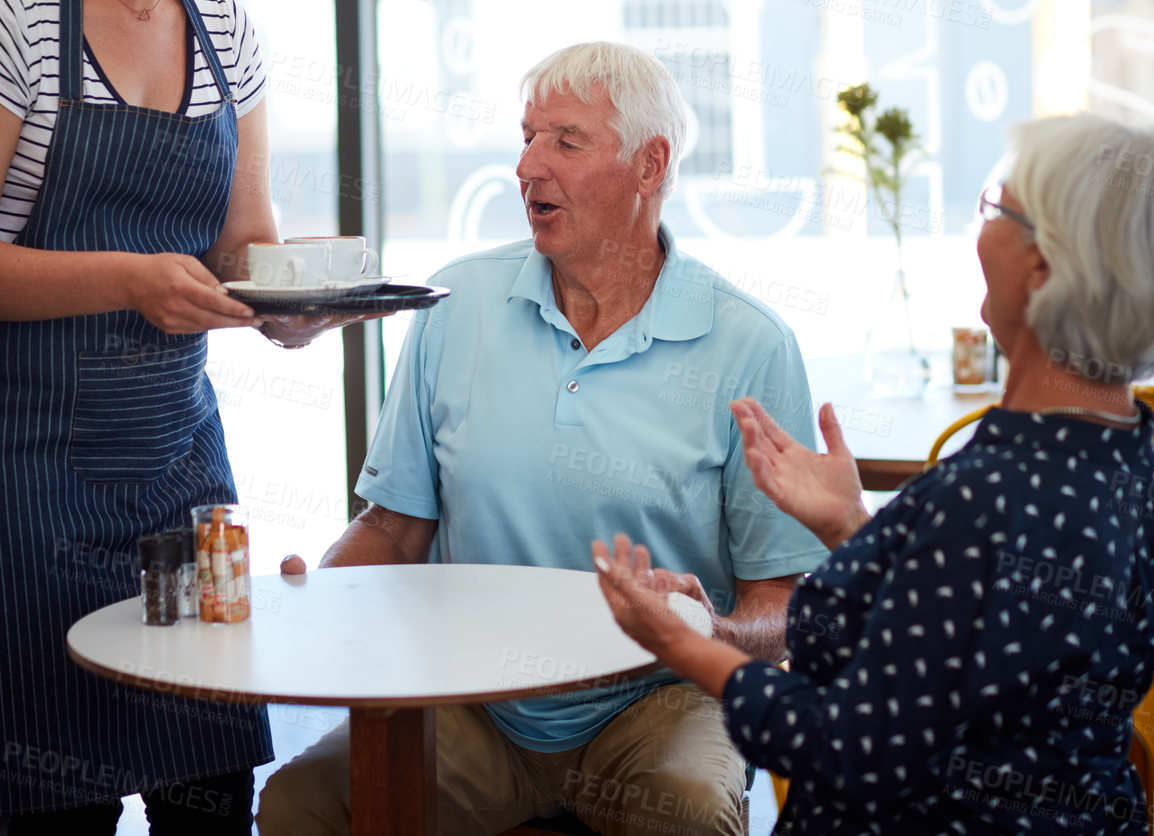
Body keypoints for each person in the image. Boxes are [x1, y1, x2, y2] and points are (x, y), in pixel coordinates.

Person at [257, 40, 825, 836]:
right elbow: (393, 528)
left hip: (658, 700)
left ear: (650, 166)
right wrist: (318, 601)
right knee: (298, 804)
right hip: (474, 701)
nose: (527, 165)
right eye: (525, 136)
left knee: (690, 813)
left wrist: (717, 633)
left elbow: (787, 604)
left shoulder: (749, 345)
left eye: (564, 140)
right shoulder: (456, 308)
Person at [595, 112, 1154, 835]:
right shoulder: (1129, 451)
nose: (977, 228)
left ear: (1043, 265)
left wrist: (682, 645)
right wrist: (852, 524)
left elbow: (849, 750)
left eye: (995, 207)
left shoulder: (981, 499)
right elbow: (1000, 629)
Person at [1, 0, 297, 829]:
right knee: (51, 796)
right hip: (27, 477)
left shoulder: (225, 26)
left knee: (209, 786)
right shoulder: (19, 19)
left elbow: (241, 243)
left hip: (178, 470)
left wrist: (295, 297)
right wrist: (129, 278)